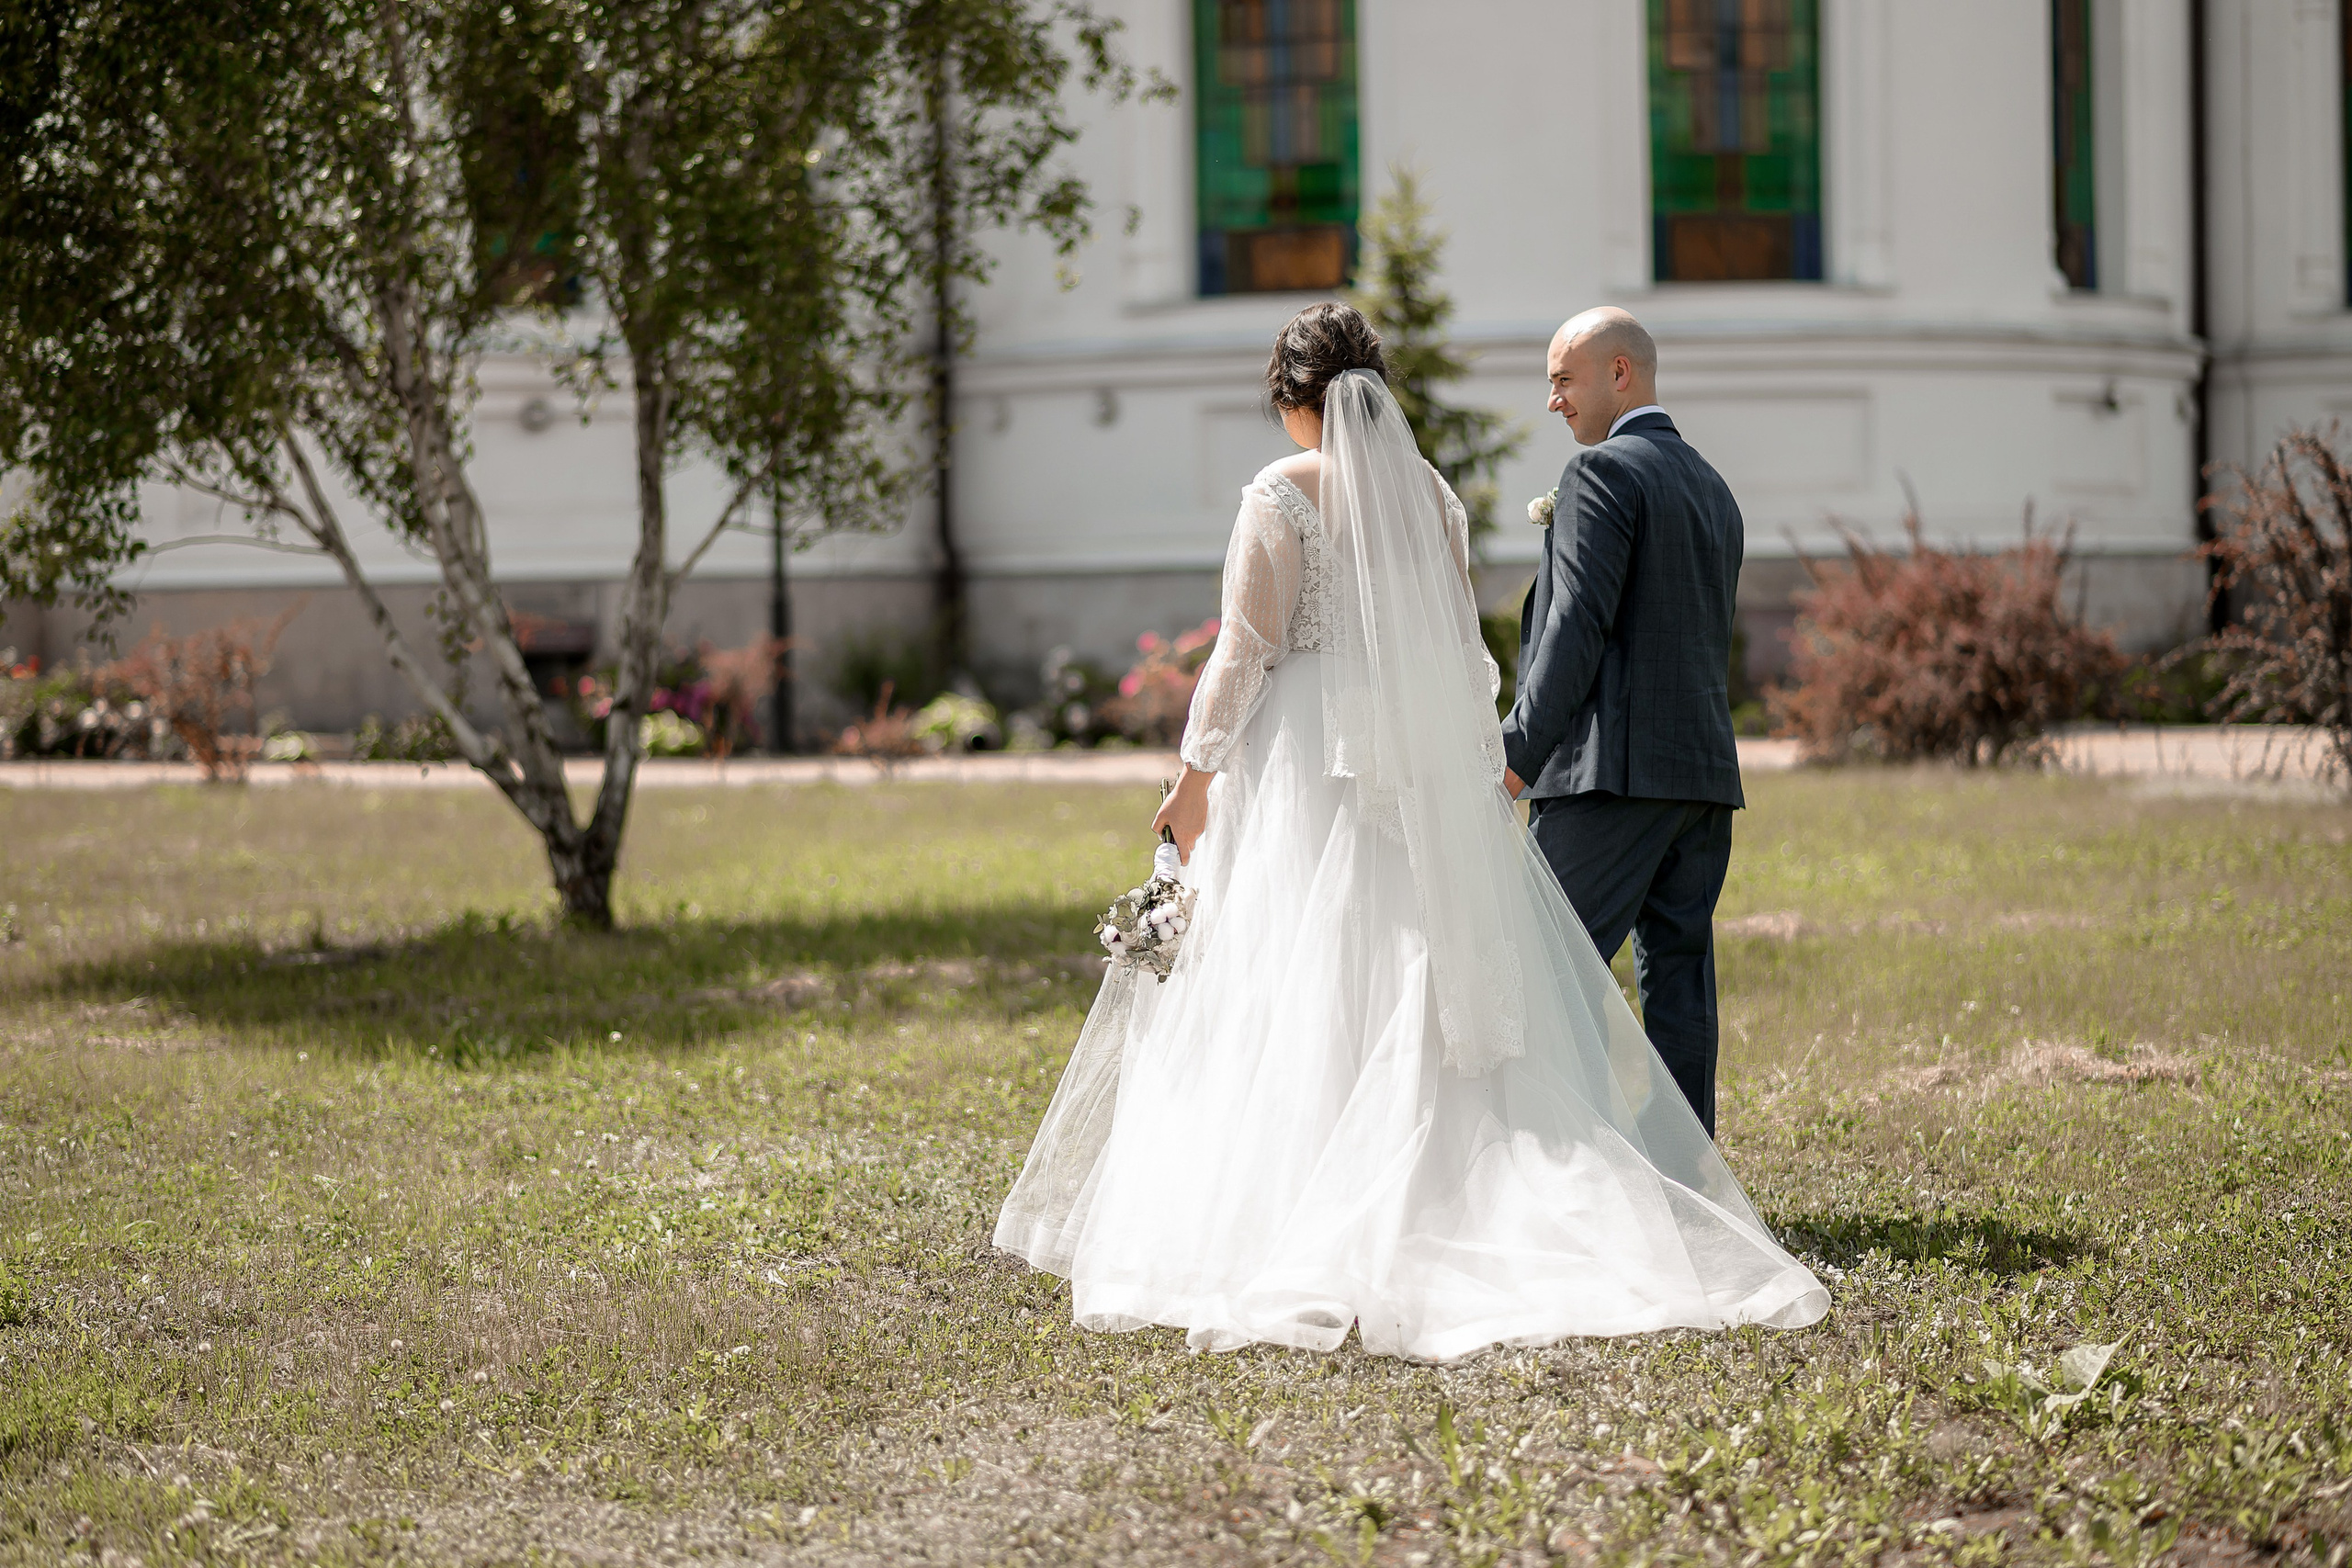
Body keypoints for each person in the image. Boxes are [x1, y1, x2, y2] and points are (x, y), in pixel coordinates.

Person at [993, 301, 1824, 1361]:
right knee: (1410, 963)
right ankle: (1577, 1178)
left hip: (1307, 762)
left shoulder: (1279, 493)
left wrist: (1195, 776)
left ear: (1294, 399)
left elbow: (1243, 650)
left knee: (1298, 966)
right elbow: (1464, 653)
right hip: (1421, 766)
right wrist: (1474, 764)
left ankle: (1292, 1198)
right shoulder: (1430, 497)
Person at [1501, 308, 1744, 1137]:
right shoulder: (1714, 487)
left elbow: (1576, 627)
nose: (1554, 401)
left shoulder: (1600, 473)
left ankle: (1582, 1159)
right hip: (1701, 779)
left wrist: (1516, 753)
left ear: (1619, 373)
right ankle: (1685, 1170)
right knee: (1681, 984)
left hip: (1609, 779)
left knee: (1547, 970)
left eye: (1563, 380)